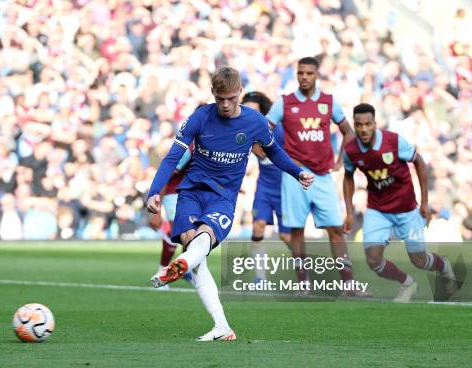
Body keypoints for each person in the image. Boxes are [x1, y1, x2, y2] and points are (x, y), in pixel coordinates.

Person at [147, 67, 314, 341]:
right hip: (192, 191)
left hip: (223, 197)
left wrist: (297, 173)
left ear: (240, 94)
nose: (225, 105)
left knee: (202, 240)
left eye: (231, 98)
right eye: (220, 98)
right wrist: (154, 191)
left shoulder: (255, 122)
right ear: (213, 94)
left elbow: (274, 151)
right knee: (196, 253)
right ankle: (222, 326)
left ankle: (179, 265)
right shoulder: (199, 117)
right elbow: (171, 157)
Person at [267, 56, 364, 295]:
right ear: (296, 74)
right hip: (295, 176)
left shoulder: (329, 102)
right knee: (297, 230)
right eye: (300, 73)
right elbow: (264, 130)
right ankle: (303, 284)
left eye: (309, 73)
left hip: (322, 176)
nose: (304, 77)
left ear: (317, 75)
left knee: (335, 228)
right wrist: (274, 157)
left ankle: (348, 284)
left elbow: (348, 132)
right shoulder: (284, 103)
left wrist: (342, 159)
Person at [343, 103, 456, 303]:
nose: (363, 129)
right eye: (359, 125)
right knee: (373, 259)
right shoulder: (351, 150)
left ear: (374, 124)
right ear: (355, 125)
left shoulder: (393, 141)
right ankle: (407, 283)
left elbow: (419, 162)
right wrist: (350, 211)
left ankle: (444, 266)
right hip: (378, 210)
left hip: (406, 209)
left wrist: (424, 202)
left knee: (419, 260)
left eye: (368, 124)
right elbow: (348, 177)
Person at [242, 92, 291, 281]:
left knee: (286, 237)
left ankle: (304, 273)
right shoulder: (244, 130)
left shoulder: (277, 130)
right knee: (257, 228)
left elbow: (265, 152)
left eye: (255, 111)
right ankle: (260, 278)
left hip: (284, 187)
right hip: (264, 186)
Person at [148, 141, 194, 290]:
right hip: (174, 192)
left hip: (192, 193)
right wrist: (157, 211)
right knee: (176, 232)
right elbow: (165, 176)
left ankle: (185, 269)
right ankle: (162, 271)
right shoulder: (188, 150)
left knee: (193, 235)